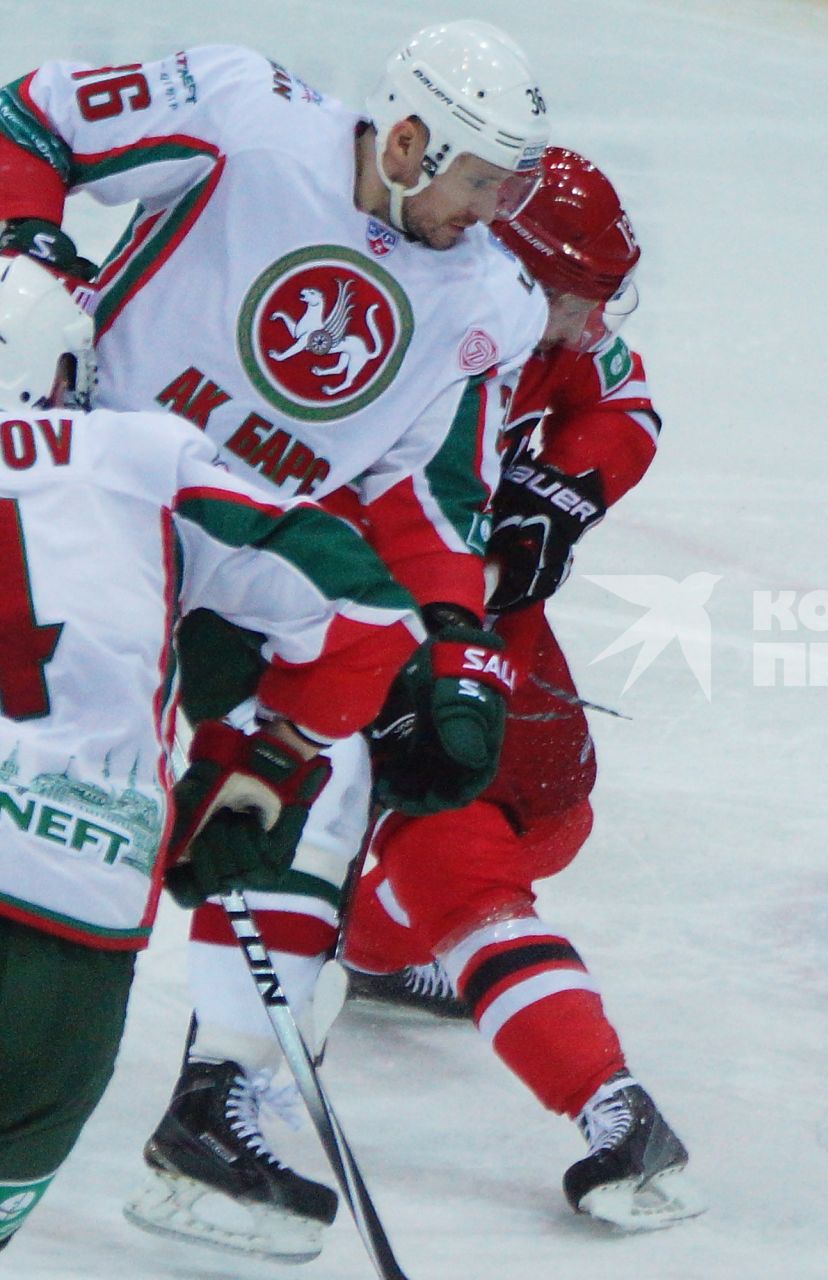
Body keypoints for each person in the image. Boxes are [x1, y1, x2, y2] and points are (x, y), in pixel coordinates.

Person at [0, 22, 549, 1258]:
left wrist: (453, 629)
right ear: (406, 141)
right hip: (91, 497)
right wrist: (24, 245)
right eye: (478, 179)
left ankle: (215, 1100)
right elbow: (29, 123)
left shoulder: (489, 302)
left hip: (250, 550)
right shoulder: (242, 111)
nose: (494, 209)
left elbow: (426, 493)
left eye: (511, 185)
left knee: (328, 775)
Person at [338, 146, 699, 1232]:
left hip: (474, 605)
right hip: (360, 606)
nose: (599, 321)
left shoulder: (538, 323)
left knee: (550, 799)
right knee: (452, 841)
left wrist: (561, 487)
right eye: (585, 298)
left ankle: (371, 932)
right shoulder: (403, 324)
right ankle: (608, 1099)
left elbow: (625, 399)